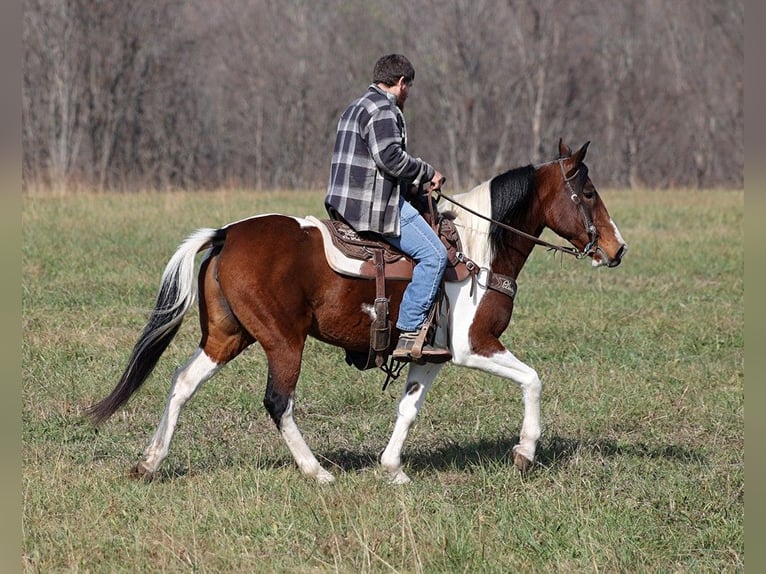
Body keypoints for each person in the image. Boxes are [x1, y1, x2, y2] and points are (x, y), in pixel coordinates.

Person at [325, 54, 451, 363]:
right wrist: (427, 172)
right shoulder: (384, 108)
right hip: (374, 208)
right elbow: (389, 158)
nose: (408, 93)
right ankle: (410, 333)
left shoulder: (355, 107)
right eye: (409, 86)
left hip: (344, 205)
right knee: (435, 256)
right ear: (401, 83)